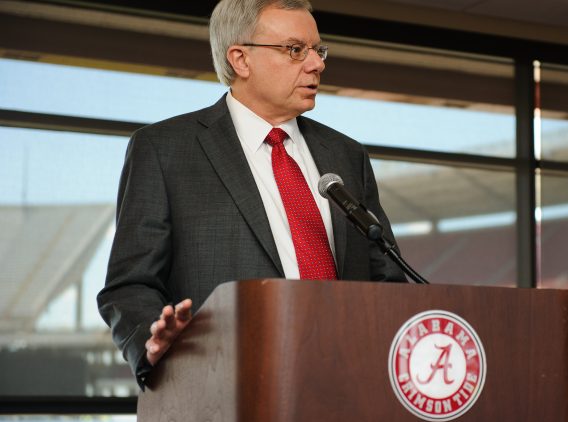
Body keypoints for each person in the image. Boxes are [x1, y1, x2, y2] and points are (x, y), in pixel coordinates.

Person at [97, 0, 406, 390]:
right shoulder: (164, 150)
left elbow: (389, 278)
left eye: (318, 50)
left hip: (349, 391)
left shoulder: (346, 155)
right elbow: (129, 284)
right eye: (296, 50)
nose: (317, 64)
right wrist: (151, 340)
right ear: (240, 59)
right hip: (223, 394)